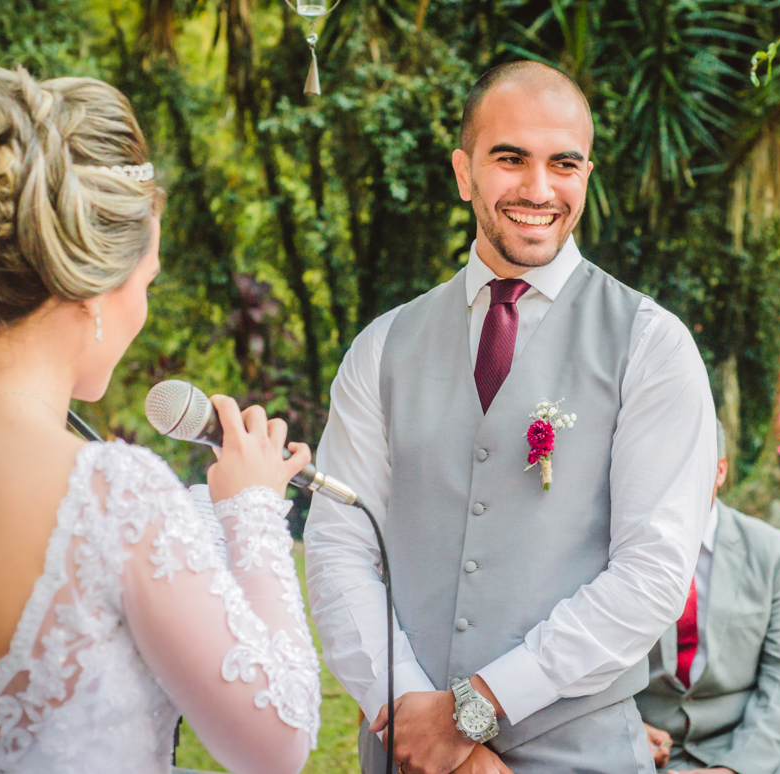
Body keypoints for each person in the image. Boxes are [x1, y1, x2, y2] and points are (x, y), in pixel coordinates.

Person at [0, 65, 321, 774]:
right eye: (149, 281)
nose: (145, 304)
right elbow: (279, 741)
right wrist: (254, 510)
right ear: (96, 285)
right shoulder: (110, 494)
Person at [304, 60, 717, 774]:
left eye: (564, 164)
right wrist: (407, 714)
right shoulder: (381, 348)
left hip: (579, 752)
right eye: (510, 159)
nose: (538, 189)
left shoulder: (652, 346)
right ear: (464, 172)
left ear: (587, 174)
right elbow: (340, 546)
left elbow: (651, 573)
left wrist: (474, 710)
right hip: (405, 753)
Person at [635, 421, 780, 774]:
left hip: (745, 738)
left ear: (720, 469)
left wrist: (733, 770)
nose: (675, 478)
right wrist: (628, 732)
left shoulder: (777, 554)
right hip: (640, 740)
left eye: (690, 463)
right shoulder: (616, 549)